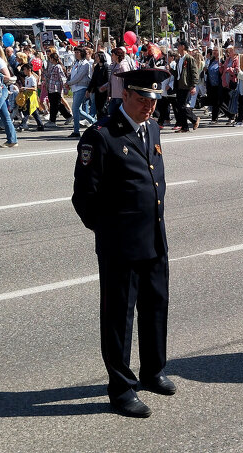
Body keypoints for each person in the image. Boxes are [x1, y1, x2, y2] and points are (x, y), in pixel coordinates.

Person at [72, 67, 176, 419]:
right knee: (119, 319)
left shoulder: (153, 128)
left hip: (154, 239)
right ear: (126, 95)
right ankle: (120, 388)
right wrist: (111, 234)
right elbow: (84, 198)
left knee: (155, 307)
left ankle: (153, 370)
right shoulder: (101, 136)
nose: (150, 106)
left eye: (154, 99)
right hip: (121, 246)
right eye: (143, 98)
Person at [171, 41, 201, 132]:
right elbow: (178, 73)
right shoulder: (180, 59)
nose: (177, 48)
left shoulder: (189, 58)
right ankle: (185, 127)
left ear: (183, 47)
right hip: (180, 85)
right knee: (179, 107)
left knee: (182, 106)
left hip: (186, 85)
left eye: (179, 46)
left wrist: (193, 85)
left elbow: (194, 72)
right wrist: (171, 70)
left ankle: (195, 119)